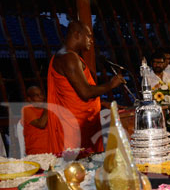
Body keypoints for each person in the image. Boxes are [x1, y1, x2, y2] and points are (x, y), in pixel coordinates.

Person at [46, 21, 124, 154]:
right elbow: (85, 92)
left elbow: (72, 92)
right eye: (88, 36)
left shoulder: (65, 55)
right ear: (77, 35)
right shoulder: (69, 58)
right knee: (80, 167)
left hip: (81, 123)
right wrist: (111, 84)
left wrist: (102, 103)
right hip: (75, 126)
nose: (91, 40)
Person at [21, 86, 50, 155]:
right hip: (37, 152)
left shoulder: (47, 110)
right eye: (36, 95)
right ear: (29, 99)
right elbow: (41, 124)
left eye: (41, 94)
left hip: (53, 148)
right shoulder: (27, 109)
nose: (41, 97)